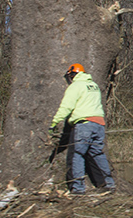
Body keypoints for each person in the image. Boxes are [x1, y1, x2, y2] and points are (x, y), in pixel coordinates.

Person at [48, 63, 115, 195]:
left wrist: (55, 122)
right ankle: (109, 183)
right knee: (97, 154)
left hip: (84, 124)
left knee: (77, 155)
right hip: (99, 124)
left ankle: (78, 188)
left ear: (72, 75)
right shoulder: (93, 85)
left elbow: (66, 106)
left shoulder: (76, 86)